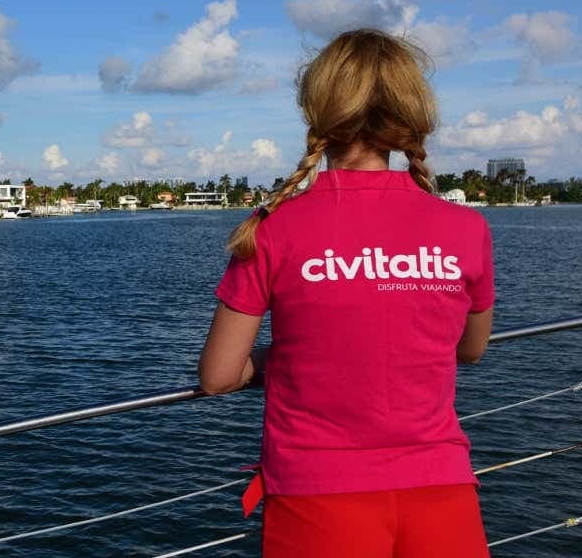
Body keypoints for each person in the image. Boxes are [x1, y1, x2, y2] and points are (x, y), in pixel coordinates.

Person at [197, 29, 495, 558]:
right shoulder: (465, 228)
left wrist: (279, 358)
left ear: (319, 110)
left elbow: (219, 377)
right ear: (409, 115)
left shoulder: (272, 229)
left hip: (318, 494)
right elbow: (469, 348)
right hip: (442, 491)